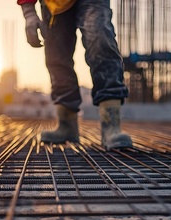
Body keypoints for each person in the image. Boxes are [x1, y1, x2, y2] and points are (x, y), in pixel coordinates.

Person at [17, 0, 132, 150]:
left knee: (100, 41)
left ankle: (111, 125)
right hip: (54, 3)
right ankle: (67, 124)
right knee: (57, 56)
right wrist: (29, 12)